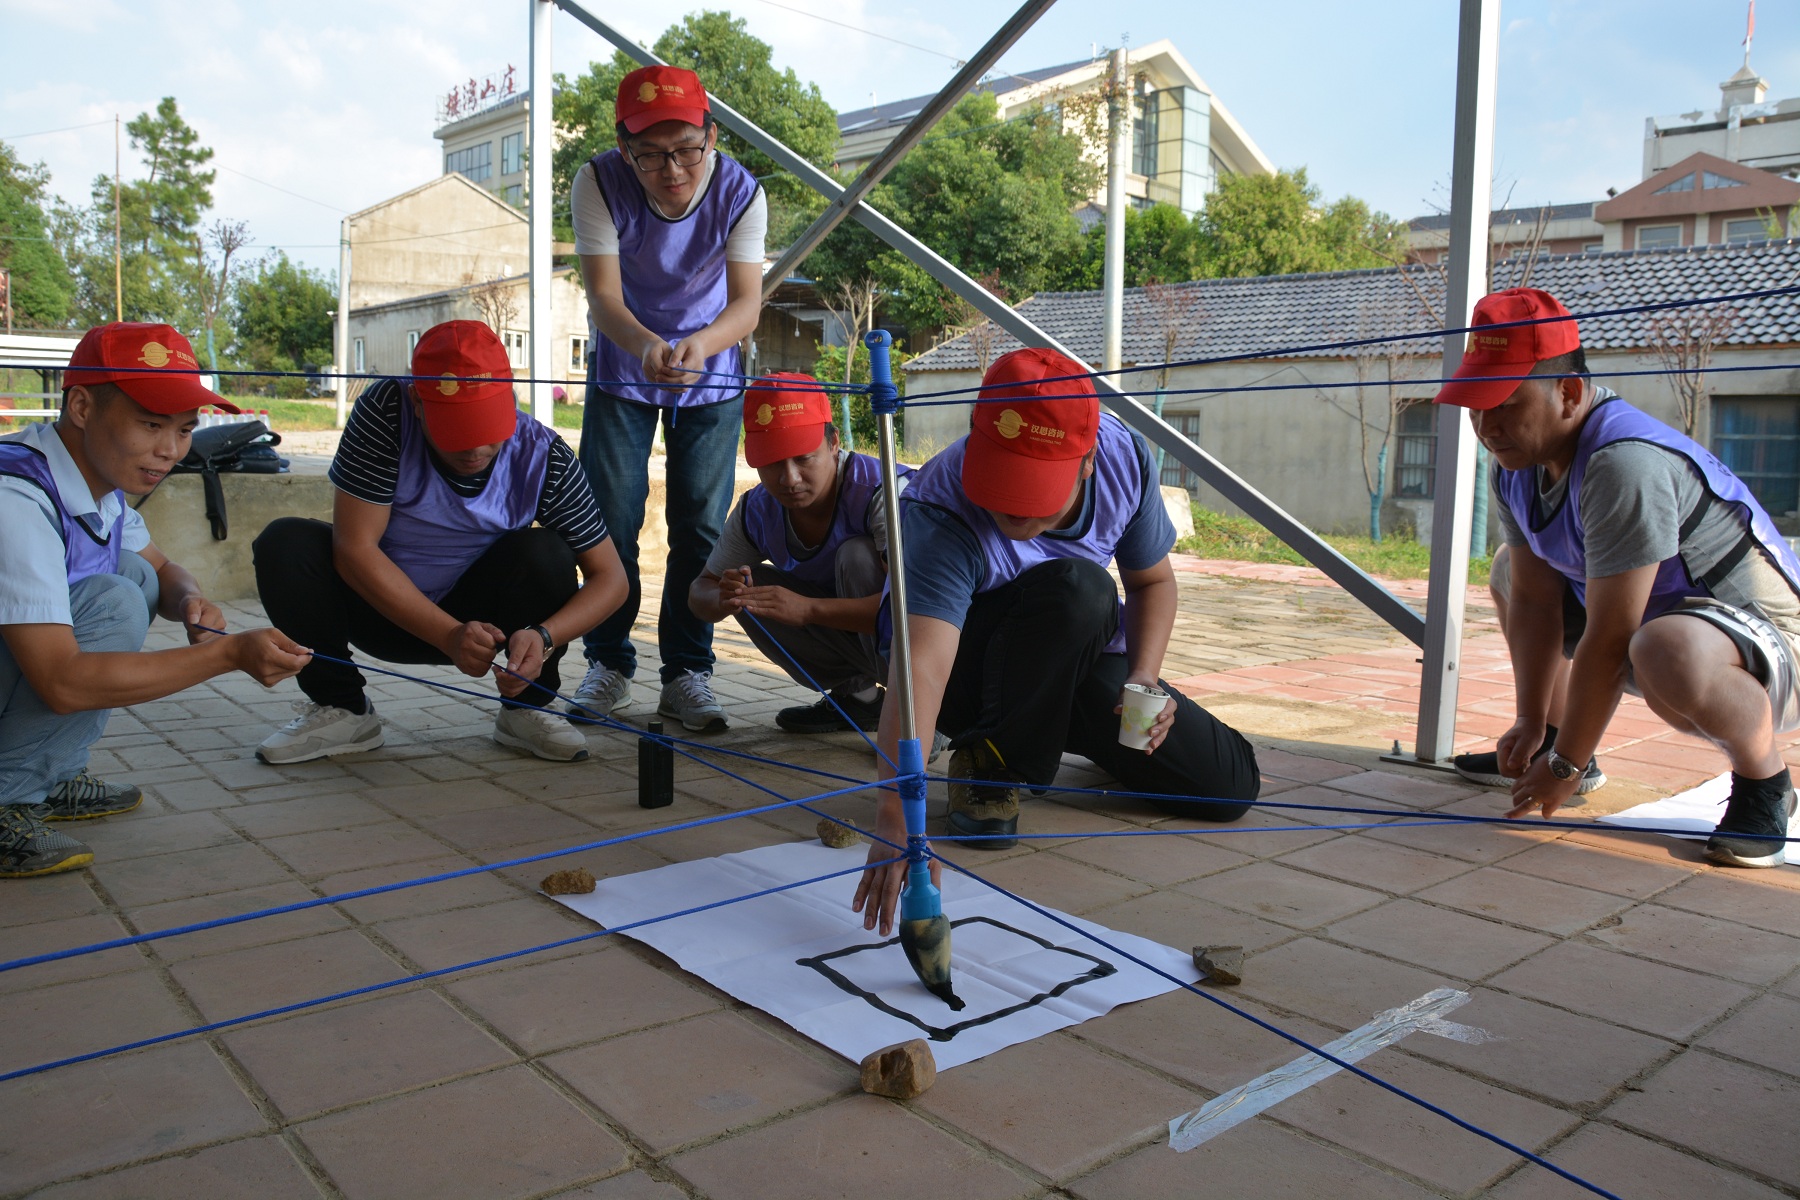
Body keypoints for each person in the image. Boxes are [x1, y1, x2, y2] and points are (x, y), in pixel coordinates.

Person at [853, 348, 1261, 932]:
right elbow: (921, 668)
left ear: (1087, 461)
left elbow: (1152, 581)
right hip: (966, 670)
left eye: (1033, 489)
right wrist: (896, 817)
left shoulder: (1125, 459)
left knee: (1227, 786)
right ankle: (988, 756)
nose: (1010, 509)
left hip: (1060, 656)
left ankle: (1042, 734)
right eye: (999, 479)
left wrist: (1142, 679)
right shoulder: (941, 508)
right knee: (1083, 589)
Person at [1437, 287, 1800, 868]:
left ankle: (1767, 783)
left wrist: (1564, 770)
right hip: (1661, 627)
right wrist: (1534, 723)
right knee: (1509, 570)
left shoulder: (1622, 462)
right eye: (1478, 405)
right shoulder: (1517, 466)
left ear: (1570, 393)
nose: (1487, 425)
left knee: (1664, 647)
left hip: (1772, 644)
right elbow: (1532, 598)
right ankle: (1558, 735)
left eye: (1506, 402)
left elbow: (1610, 638)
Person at [0, 323, 307, 878]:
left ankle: (50, 770)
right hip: (46, 672)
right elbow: (62, 681)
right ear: (82, 407)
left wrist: (191, 600)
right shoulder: (15, 498)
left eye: (185, 429)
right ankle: (7, 797)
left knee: (133, 575)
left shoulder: (93, 480)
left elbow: (162, 568)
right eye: (149, 424)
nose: (169, 450)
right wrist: (227, 654)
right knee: (116, 598)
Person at [253, 320, 627, 765]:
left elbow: (612, 579)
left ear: (510, 399)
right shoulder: (386, 410)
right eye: (455, 432)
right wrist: (447, 635)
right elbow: (355, 549)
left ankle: (527, 707)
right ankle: (343, 709)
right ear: (416, 401)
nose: (473, 450)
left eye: (488, 431)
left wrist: (544, 637)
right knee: (286, 543)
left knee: (546, 551)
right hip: (381, 606)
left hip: (484, 628)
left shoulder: (543, 454)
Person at [568, 63, 766, 733]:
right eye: (649, 154)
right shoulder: (597, 181)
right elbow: (603, 299)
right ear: (625, 149)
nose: (671, 169)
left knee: (701, 527)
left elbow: (747, 304)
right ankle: (609, 664)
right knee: (609, 521)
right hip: (626, 362)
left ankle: (687, 670)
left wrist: (701, 346)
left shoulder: (741, 190)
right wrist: (646, 344)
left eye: (685, 149)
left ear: (710, 136)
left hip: (712, 365)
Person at [689, 373, 902, 733]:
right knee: (751, 588)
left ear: (834, 442)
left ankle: (929, 706)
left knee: (857, 556)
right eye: (772, 463)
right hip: (863, 640)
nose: (789, 478)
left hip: (927, 644)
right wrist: (723, 597)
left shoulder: (882, 492)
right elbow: (699, 592)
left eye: (803, 458)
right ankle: (861, 699)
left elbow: (919, 608)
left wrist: (808, 610)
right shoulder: (755, 510)